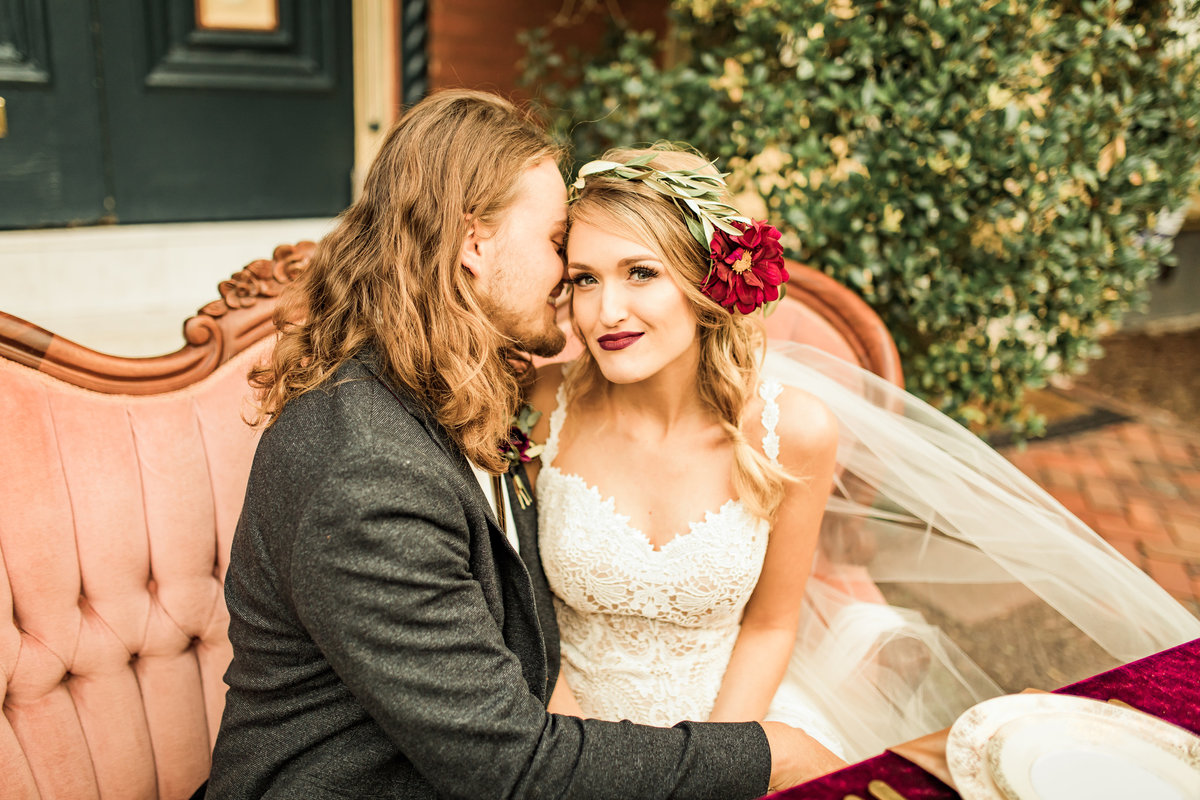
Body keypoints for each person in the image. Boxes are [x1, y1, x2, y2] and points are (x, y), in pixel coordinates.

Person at [205, 91, 840, 800]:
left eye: (636, 272)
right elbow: (507, 763)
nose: (584, 300)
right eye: (561, 252)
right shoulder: (366, 465)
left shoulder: (464, 395)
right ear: (476, 244)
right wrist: (764, 760)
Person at [525, 144, 1200, 761]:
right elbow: (519, 608)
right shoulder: (544, 406)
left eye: (640, 272)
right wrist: (585, 760)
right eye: (584, 279)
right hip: (564, 723)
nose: (606, 309)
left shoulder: (795, 431)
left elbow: (768, 628)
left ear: (709, 282)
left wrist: (709, 767)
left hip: (732, 720)